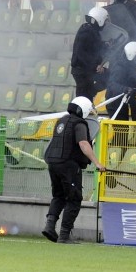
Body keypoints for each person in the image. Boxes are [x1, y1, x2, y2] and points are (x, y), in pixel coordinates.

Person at [41, 97, 106, 244]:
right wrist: (97, 163)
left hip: (53, 162)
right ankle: (64, 235)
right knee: (74, 198)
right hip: (68, 165)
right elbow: (83, 143)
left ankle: (49, 226)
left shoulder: (62, 121)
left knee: (58, 196)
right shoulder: (79, 124)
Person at [71, 7, 107, 100]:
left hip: (87, 70)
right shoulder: (86, 32)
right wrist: (95, 66)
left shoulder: (90, 30)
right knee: (82, 99)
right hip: (82, 71)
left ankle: (90, 92)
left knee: (86, 98)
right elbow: (81, 54)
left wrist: (105, 45)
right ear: (100, 19)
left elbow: (93, 47)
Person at [105, 42, 136, 121]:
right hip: (115, 102)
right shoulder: (119, 67)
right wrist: (124, 89)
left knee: (128, 128)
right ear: (131, 54)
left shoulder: (132, 67)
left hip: (126, 100)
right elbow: (112, 84)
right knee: (121, 130)